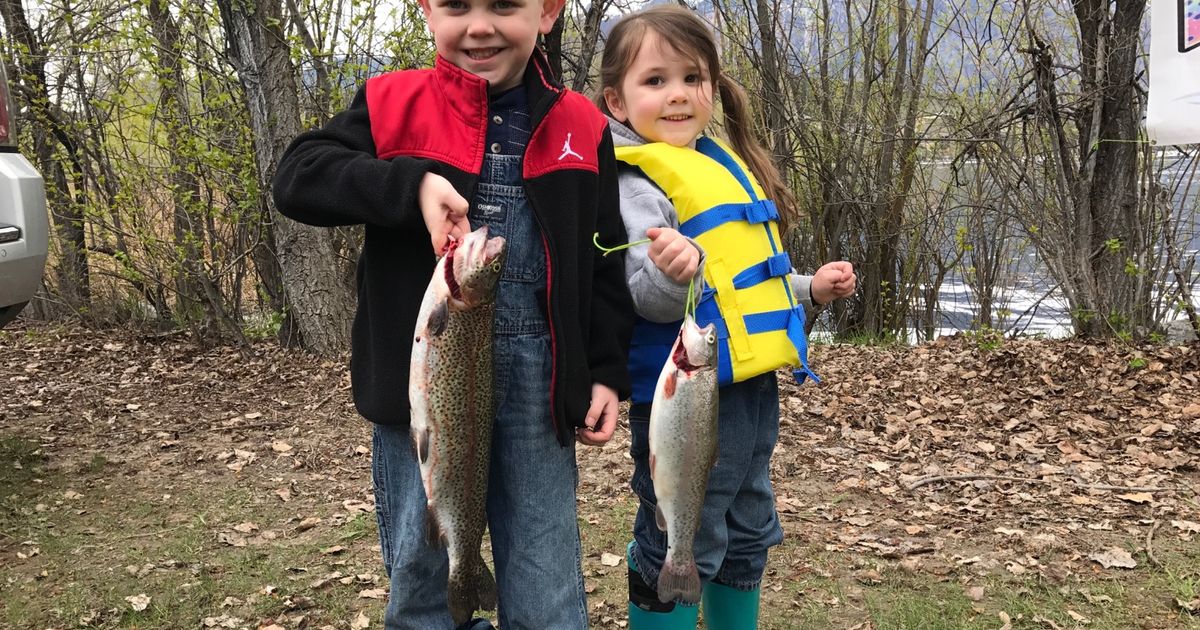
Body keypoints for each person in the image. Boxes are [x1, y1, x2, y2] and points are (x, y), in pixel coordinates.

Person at [271, 0, 635, 625]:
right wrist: (408, 185)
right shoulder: (392, 103)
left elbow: (605, 259)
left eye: (504, 6)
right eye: (458, 5)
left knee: (546, 586)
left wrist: (604, 371)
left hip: (539, 396)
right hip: (422, 406)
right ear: (428, 12)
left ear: (547, 12)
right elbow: (297, 177)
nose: (479, 26)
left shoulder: (584, 126)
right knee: (423, 578)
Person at [595, 6, 857, 628]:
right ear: (617, 101)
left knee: (748, 525)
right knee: (681, 529)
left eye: (693, 78)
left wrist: (809, 291)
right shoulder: (635, 182)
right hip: (686, 394)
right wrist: (672, 268)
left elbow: (747, 289)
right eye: (655, 81)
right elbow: (646, 295)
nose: (678, 94)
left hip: (751, 392)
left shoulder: (720, 162)